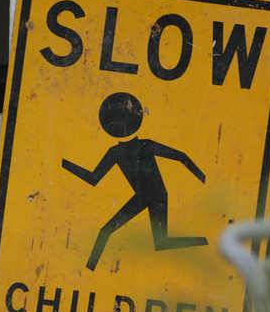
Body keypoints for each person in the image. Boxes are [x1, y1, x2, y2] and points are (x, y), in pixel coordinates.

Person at [62, 92, 207, 271]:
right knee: (105, 231)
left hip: (157, 196)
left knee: (160, 242)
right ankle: (87, 271)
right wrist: (64, 164)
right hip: (141, 196)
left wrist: (203, 178)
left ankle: (205, 240)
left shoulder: (145, 145)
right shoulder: (115, 152)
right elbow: (94, 178)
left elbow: (180, 156)